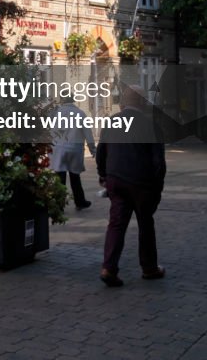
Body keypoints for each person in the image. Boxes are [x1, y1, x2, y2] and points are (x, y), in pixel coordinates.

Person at [95, 85, 166, 287]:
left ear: (123, 103)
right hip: (141, 183)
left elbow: (101, 153)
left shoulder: (111, 122)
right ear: (143, 103)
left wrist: (103, 176)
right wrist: (157, 187)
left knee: (116, 224)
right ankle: (149, 268)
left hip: (116, 181)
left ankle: (108, 268)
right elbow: (158, 162)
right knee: (145, 224)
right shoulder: (151, 125)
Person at [50, 97, 96, 210]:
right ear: (73, 101)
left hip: (59, 148)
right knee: (75, 177)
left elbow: (50, 131)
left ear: (62, 101)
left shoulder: (56, 113)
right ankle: (80, 201)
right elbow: (87, 132)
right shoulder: (80, 113)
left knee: (60, 177)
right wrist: (92, 148)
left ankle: (59, 205)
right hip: (75, 148)